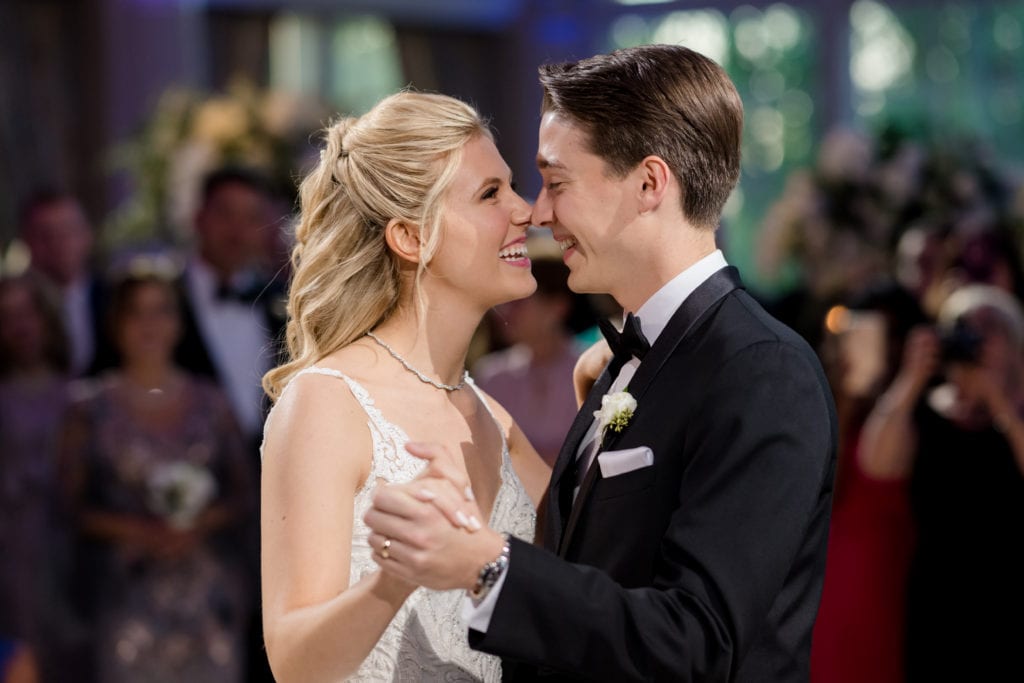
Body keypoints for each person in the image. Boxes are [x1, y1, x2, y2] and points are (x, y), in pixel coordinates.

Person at [365, 44, 838, 682]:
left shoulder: (761, 370)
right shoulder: (623, 359)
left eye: (556, 182)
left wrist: (489, 566)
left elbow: (699, 641)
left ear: (649, 184)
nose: (537, 212)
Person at [258, 91, 551, 682]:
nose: (526, 211)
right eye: (490, 194)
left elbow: (601, 577)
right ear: (410, 238)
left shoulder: (497, 421)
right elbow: (294, 662)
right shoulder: (327, 402)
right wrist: (393, 580)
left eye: (511, 187)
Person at [59, 267, 256, 683]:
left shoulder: (212, 402)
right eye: (135, 312)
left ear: (179, 322)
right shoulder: (87, 409)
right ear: (115, 324)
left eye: (161, 311)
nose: (149, 325)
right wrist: (138, 530)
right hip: (128, 599)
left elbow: (246, 492)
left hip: (209, 599)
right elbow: (69, 506)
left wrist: (199, 522)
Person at [858, 283, 1024, 682]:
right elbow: (875, 463)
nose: (976, 337)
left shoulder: (1017, 418)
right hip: (937, 607)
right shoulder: (928, 411)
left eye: (990, 328)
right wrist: (912, 379)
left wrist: (999, 402)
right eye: (963, 327)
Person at [176, 166, 286, 448]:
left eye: (251, 218)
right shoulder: (165, 299)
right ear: (199, 217)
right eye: (225, 214)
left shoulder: (286, 301)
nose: (237, 231)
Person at [474, 243, 589, 466]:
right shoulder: (492, 375)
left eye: (518, 303)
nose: (505, 313)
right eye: (505, 302)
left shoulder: (591, 369)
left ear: (557, 307)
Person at [17, 189, 110, 376]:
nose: (58, 243)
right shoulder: (12, 313)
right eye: (45, 234)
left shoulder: (115, 300)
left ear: (87, 234)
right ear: (27, 241)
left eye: (68, 230)